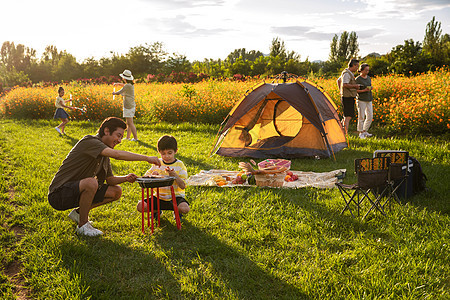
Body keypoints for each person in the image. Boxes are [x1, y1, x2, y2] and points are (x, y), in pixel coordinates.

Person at [48, 117, 161, 236]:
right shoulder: (89, 141)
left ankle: (79, 213)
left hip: (76, 191)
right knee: (91, 183)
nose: (119, 140)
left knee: (116, 191)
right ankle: (82, 225)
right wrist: (147, 158)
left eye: (121, 137)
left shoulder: (104, 154)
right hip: (59, 195)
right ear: (106, 131)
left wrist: (127, 178)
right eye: (118, 135)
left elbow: (110, 180)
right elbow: (117, 155)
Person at [136, 135, 190, 220]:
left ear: (175, 151)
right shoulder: (157, 163)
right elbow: (145, 177)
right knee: (140, 206)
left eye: (169, 153)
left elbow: (183, 185)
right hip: (159, 197)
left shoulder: (180, 165)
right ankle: (156, 211)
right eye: (163, 153)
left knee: (185, 208)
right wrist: (153, 175)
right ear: (159, 152)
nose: (166, 156)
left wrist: (174, 175)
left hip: (175, 197)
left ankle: (177, 212)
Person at [337, 59, 361, 135]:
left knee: (346, 115)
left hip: (347, 96)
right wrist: (355, 86)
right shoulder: (347, 74)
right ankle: (345, 134)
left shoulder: (347, 73)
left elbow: (338, 80)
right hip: (347, 97)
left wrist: (341, 91)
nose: (357, 68)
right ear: (353, 65)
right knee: (348, 116)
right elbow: (344, 84)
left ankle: (340, 131)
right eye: (357, 66)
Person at [112, 69, 138, 141]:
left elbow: (120, 91)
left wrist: (114, 93)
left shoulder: (127, 86)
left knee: (130, 123)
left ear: (125, 78)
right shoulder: (130, 85)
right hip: (130, 105)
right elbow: (124, 86)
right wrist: (118, 84)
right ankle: (128, 137)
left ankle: (135, 138)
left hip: (129, 106)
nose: (122, 78)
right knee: (128, 123)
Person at [355, 63, 374, 139]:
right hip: (361, 100)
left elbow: (369, 85)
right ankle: (360, 133)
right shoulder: (358, 79)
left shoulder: (368, 78)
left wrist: (370, 88)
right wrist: (364, 90)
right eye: (366, 70)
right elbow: (356, 91)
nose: (367, 71)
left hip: (369, 99)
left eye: (368, 70)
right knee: (361, 116)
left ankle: (365, 130)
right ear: (361, 70)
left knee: (370, 116)